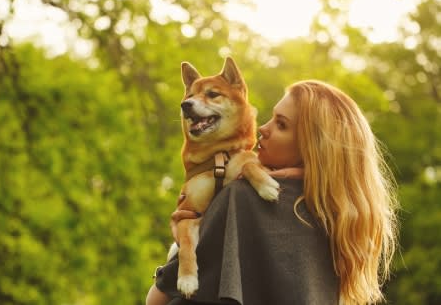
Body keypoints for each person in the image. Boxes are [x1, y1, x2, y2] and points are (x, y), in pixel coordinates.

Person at [146, 80, 399, 305]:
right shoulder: (339, 221)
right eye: (271, 118)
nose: (263, 129)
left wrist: (183, 243)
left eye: (281, 125)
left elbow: (156, 299)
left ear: (312, 147)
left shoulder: (242, 196)